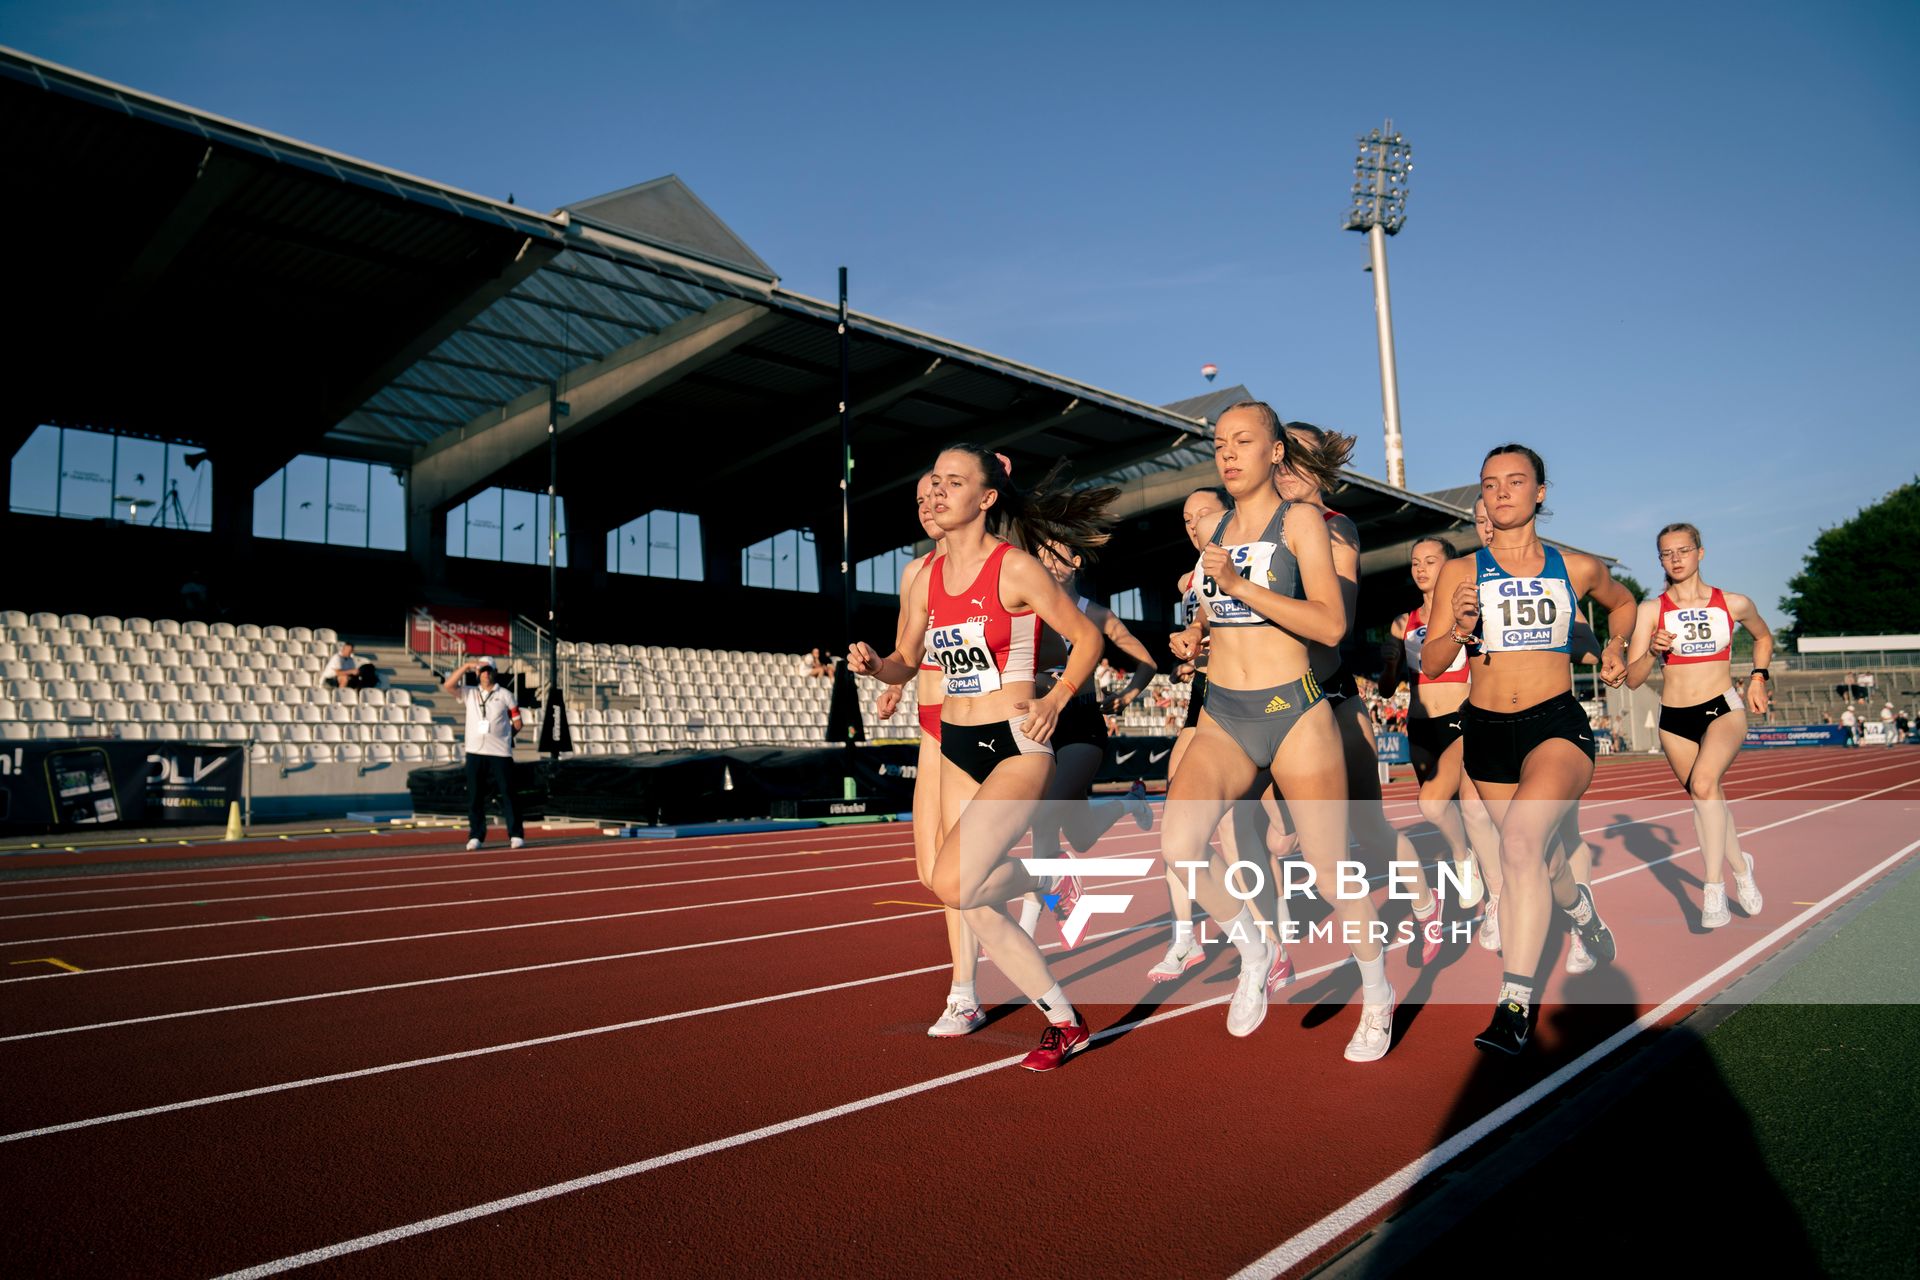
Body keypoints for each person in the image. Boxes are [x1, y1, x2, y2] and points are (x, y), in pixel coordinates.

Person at [850, 445, 1112, 1072]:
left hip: (1015, 743)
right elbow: (908, 657)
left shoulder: (1014, 568)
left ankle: (1039, 890)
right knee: (962, 892)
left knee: (955, 882)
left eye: (953, 482)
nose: (937, 492)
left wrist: (1058, 698)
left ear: (986, 498)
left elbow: (1087, 638)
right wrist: (876, 667)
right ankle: (1062, 1019)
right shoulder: (924, 577)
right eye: (933, 481)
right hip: (957, 741)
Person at [1162, 401, 1395, 1060]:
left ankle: (1378, 996)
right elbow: (1221, 615)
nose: (1229, 453)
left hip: (1294, 712)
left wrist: (1238, 582)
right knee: (1180, 845)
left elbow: (1329, 625)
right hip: (1224, 716)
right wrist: (1195, 635)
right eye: (1219, 444)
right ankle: (1254, 948)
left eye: (1244, 441)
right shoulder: (1215, 531)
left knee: (1332, 876)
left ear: (1274, 454)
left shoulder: (1303, 524)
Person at [1421, 444, 1636, 1055]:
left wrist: (1616, 648)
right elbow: (1433, 661)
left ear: (1541, 492)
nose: (1503, 492)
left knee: (1517, 848)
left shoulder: (1577, 567)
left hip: (1556, 725)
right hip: (1486, 730)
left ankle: (1513, 1005)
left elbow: (1622, 605)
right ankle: (1584, 915)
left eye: (1516, 481)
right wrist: (1459, 631)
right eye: (1490, 484)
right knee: (1541, 865)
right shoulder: (1461, 572)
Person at [1270, 422, 1441, 969]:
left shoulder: (1335, 528)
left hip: (1327, 695)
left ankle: (1422, 905)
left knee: (1367, 825)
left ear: (1323, 467)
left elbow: (1333, 624)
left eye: (1299, 457)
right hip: (1266, 700)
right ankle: (1268, 944)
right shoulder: (1258, 528)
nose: (1285, 467)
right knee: (1273, 837)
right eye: (1281, 455)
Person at [1625, 522, 1770, 929]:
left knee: (1705, 785)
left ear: (1700, 553)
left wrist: (1759, 676)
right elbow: (1634, 679)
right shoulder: (1651, 611)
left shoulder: (1733, 603)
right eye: (1667, 553)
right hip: (1674, 718)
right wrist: (1652, 651)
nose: (1676, 559)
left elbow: (1763, 637)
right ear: (1660, 560)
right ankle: (1742, 867)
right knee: (1708, 798)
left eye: (1683, 550)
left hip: (1723, 707)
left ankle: (1712, 889)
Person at [1381, 536, 1499, 926]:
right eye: (1415, 562)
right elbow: (1386, 686)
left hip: (1461, 720)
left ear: (1448, 567)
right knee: (1442, 808)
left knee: (1461, 805)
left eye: (1431, 561)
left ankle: (1472, 867)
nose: (1421, 569)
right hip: (1420, 725)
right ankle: (1471, 861)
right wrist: (1389, 661)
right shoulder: (1403, 622)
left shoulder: (1466, 614)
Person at [445, 657, 523, 851]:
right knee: (475, 795)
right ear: (477, 673)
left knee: (508, 793)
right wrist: (465, 666)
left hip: (500, 752)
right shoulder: (469, 693)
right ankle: (476, 835)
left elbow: (518, 723)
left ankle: (515, 834)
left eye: (489, 670)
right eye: (482, 670)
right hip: (475, 751)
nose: (485, 673)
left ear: (494, 672)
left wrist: (506, 737)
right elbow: (448, 685)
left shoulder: (505, 694)